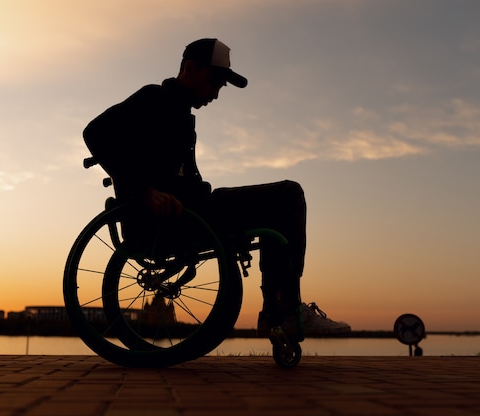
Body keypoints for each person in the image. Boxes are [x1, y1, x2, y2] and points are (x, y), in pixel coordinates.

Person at [83, 38, 350, 339]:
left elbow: (183, 177)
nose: (216, 93)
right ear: (189, 68)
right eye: (214, 82)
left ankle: (280, 308)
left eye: (221, 86)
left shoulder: (182, 117)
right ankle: (285, 310)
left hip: (191, 211)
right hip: (169, 221)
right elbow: (94, 132)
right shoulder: (154, 98)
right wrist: (143, 191)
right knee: (288, 196)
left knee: (278, 210)